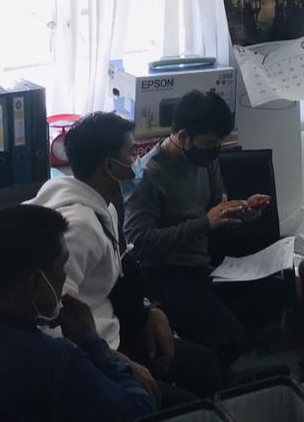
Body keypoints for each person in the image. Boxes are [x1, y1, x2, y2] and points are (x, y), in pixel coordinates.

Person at [27, 112, 223, 403]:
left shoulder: (102, 206)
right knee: (188, 404)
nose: (138, 160)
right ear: (109, 166)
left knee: (205, 364)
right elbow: (49, 322)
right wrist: (122, 365)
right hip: (94, 355)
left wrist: (150, 311)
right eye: (132, 153)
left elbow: (119, 274)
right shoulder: (78, 228)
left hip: (115, 328)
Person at [0, 204, 155, 422]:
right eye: (62, 265)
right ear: (37, 284)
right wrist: (93, 345)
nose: (64, 277)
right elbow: (140, 409)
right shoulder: (58, 364)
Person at [123, 89, 269, 372]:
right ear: (183, 136)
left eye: (218, 143)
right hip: (164, 274)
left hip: (200, 264)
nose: (215, 150)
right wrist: (205, 223)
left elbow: (216, 205)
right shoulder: (147, 175)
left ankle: (216, 377)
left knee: (260, 306)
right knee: (229, 340)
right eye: (209, 143)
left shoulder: (206, 160)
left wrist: (242, 210)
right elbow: (138, 243)